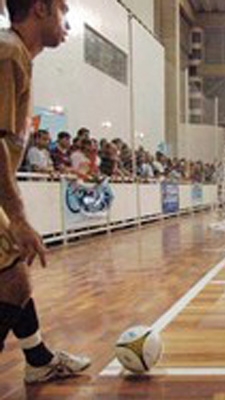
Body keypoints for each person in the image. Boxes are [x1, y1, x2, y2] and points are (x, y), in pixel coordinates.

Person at [0, 0, 90, 383]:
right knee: (14, 277)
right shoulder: (8, 54)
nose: (66, 19)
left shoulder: (16, 53)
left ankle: (38, 360)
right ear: (40, 9)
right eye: (62, 9)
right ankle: (38, 361)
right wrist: (18, 218)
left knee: (13, 275)